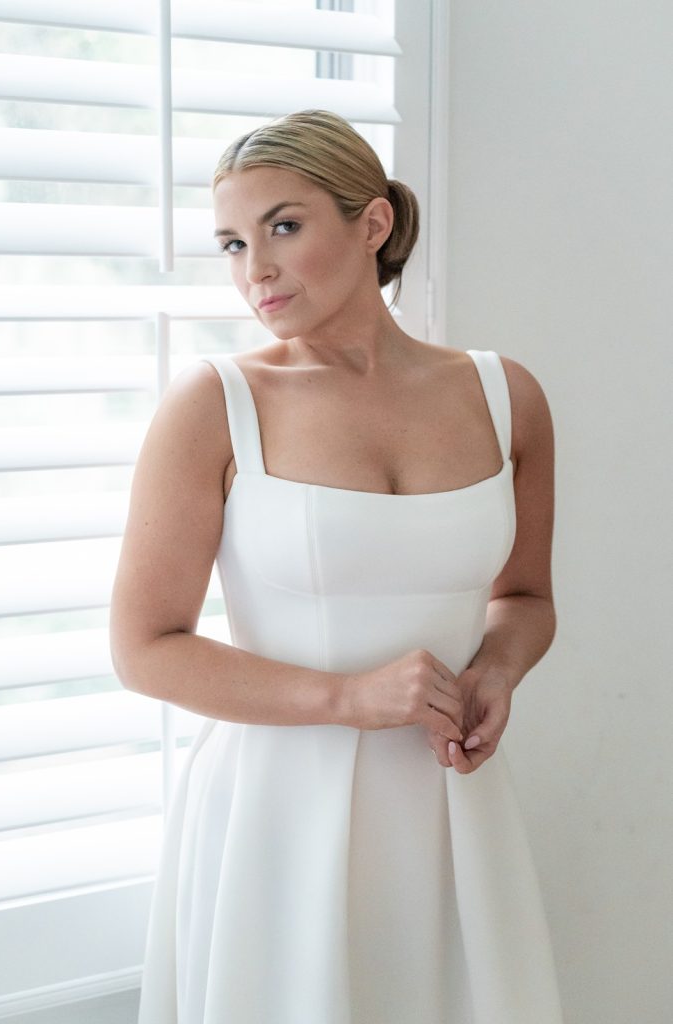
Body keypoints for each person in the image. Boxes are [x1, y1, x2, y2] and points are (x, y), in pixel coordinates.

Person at [110, 108, 563, 1023]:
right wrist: (347, 699)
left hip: (450, 808)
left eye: (284, 226)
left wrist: (496, 672)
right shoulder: (215, 405)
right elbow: (145, 647)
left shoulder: (504, 395)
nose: (256, 270)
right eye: (233, 243)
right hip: (278, 817)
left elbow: (525, 597)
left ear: (373, 224)